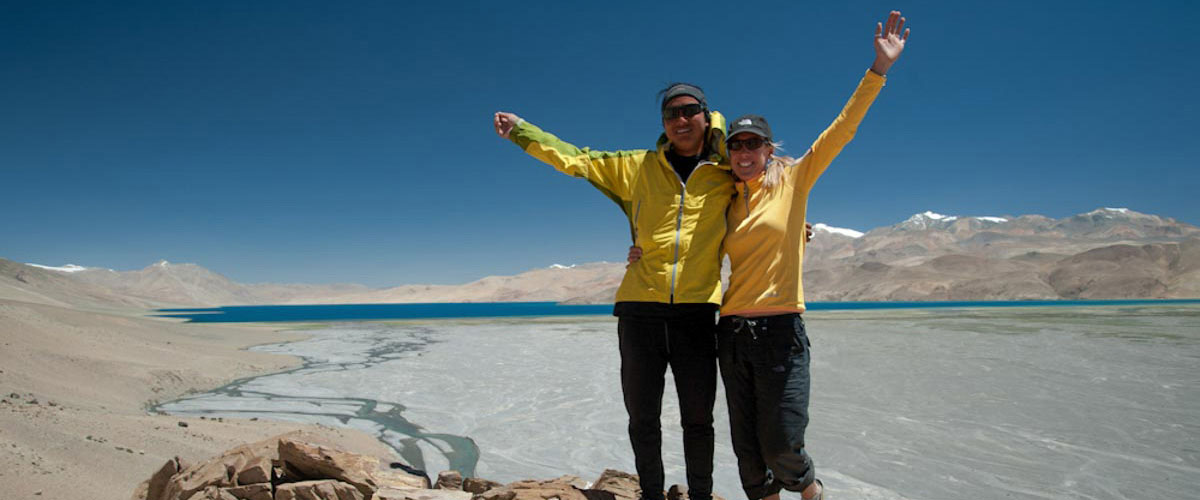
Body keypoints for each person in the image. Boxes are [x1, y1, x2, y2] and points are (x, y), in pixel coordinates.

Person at [628, 11, 910, 500]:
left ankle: (808, 486)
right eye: (736, 144)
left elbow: (842, 129)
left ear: (767, 147)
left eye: (753, 143)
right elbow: (677, 228)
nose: (744, 151)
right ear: (728, 150)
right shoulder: (723, 198)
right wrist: (639, 248)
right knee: (748, 453)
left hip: (781, 330)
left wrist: (878, 70)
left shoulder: (795, 179)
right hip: (731, 332)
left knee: (782, 443)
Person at [493, 84, 736, 500]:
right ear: (662, 124)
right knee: (642, 417)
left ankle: (701, 495)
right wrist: (523, 132)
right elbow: (577, 160)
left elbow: (771, 186)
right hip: (639, 310)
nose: (680, 120)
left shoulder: (727, 172)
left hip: (697, 313)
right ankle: (652, 495)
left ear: (706, 115)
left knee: (699, 420)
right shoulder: (635, 167)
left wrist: (797, 227)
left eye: (690, 111)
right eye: (670, 114)